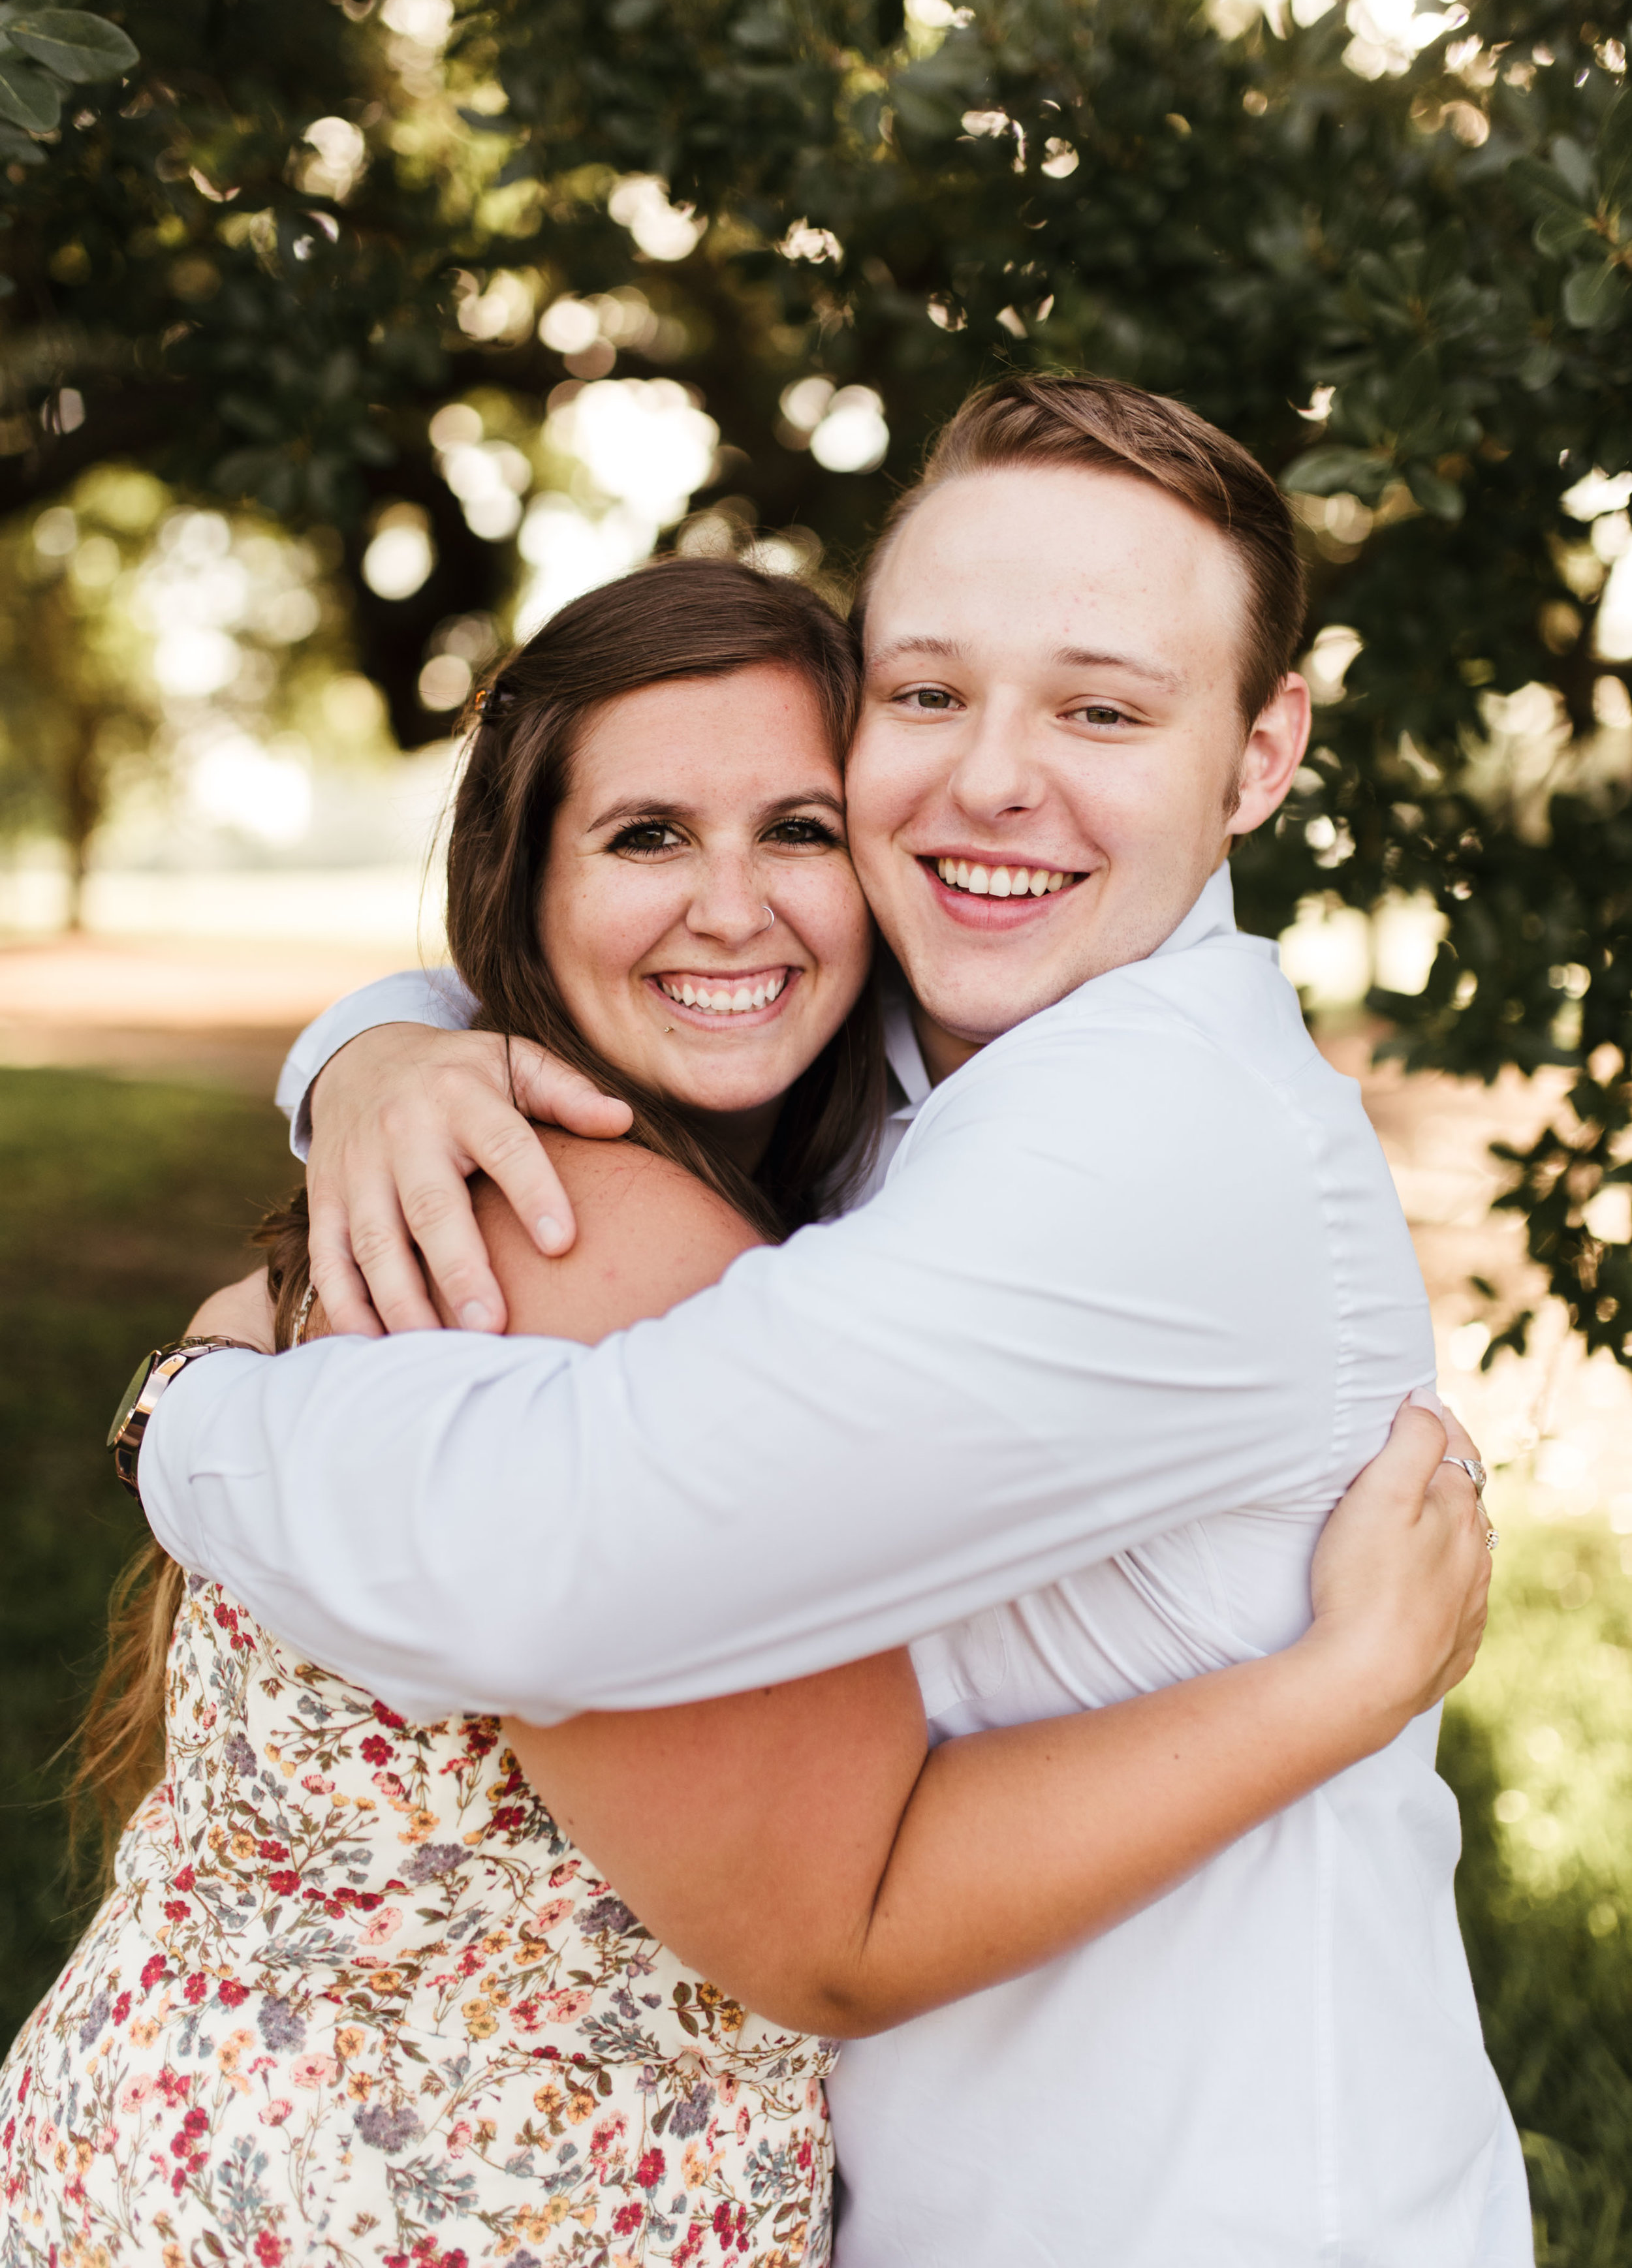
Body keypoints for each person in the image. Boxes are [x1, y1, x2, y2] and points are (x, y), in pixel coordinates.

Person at [132, 375, 1528, 2263]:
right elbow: (662, 971)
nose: (988, 780)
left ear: (1260, 751)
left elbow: (548, 1565)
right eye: (929, 694)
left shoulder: (1156, 1152)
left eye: (1102, 710)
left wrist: (196, 1406)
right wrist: (374, 1056)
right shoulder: (939, 1025)